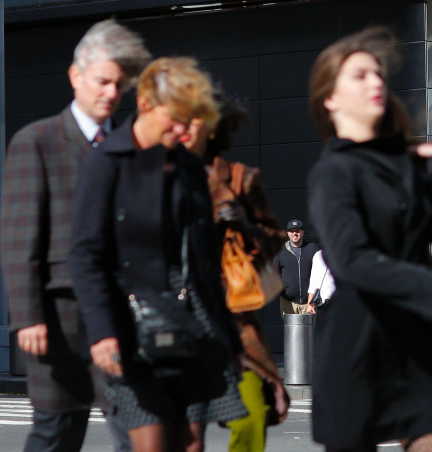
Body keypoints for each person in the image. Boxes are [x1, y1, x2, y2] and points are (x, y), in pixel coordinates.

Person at [305, 27, 432, 452]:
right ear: (330, 98)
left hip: (417, 339)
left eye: (379, 74)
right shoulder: (333, 173)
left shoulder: (404, 167)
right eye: (360, 75)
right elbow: (352, 261)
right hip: (356, 341)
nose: (376, 82)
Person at [69, 57, 247, 452]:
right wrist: (101, 332)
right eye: (177, 118)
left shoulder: (188, 168)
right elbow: (85, 255)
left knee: (191, 445)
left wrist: (231, 342)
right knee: (151, 445)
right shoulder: (105, 163)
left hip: (192, 321)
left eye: (191, 120)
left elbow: (205, 262)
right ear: (147, 103)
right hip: (130, 325)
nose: (184, 130)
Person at [1, 19, 148, 452]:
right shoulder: (37, 142)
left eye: (119, 85)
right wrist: (27, 315)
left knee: (136, 433)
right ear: (75, 76)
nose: (110, 93)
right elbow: (19, 234)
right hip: (58, 317)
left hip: (120, 315)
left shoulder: (129, 146)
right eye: (102, 81)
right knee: (57, 435)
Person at [185, 98, 290, 452]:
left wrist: (242, 226)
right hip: (176, 318)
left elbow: (275, 237)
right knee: (188, 435)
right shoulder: (159, 176)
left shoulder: (239, 178)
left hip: (233, 320)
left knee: (252, 417)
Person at [273, 220, 321, 314]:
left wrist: (313, 300)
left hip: (309, 303)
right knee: (290, 329)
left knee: (309, 329)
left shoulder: (313, 249)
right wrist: (283, 291)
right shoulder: (280, 251)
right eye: (292, 231)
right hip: (288, 303)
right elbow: (274, 274)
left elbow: (321, 272)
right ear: (287, 233)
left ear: (302, 232)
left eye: (297, 231)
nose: (294, 233)